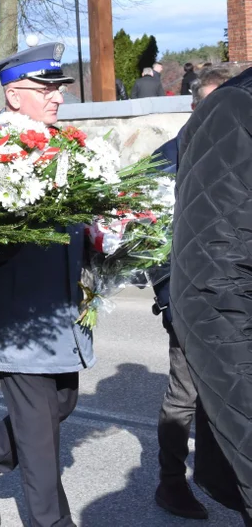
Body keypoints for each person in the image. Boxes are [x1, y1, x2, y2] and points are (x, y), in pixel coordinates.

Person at [0, 43, 95, 527]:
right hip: (16, 315)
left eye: (59, 88)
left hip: (61, 312)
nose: (58, 97)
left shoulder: (64, 143)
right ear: (15, 96)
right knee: (40, 439)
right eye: (46, 89)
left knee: (63, 403)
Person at [148, 66, 232, 520]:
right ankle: (170, 483)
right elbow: (147, 237)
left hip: (238, 299)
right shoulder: (168, 158)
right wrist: (170, 297)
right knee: (185, 396)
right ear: (196, 107)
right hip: (189, 298)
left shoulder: (238, 147)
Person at [171, 66, 252, 525]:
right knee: (178, 400)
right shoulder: (236, 109)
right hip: (213, 318)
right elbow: (211, 286)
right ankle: (169, 479)